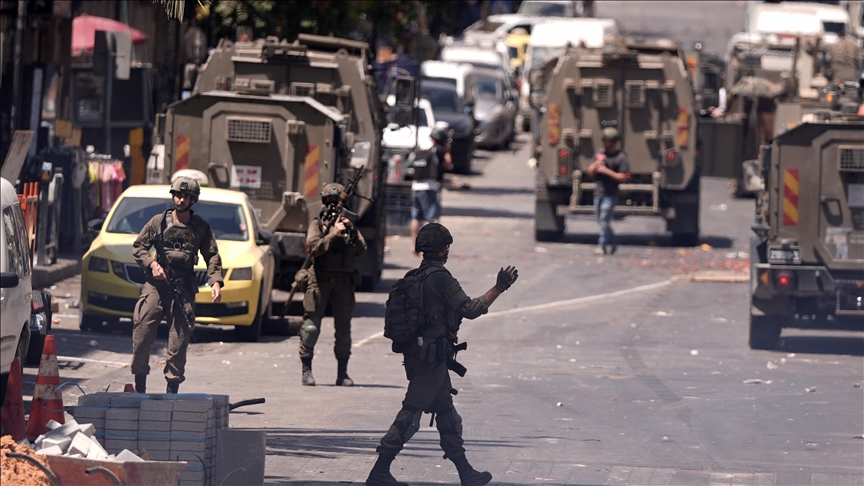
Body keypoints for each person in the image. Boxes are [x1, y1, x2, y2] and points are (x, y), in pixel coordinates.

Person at [366, 223, 519, 486]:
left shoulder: (415, 276)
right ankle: (379, 471)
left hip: (422, 356)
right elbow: (470, 309)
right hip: (430, 361)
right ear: (443, 249)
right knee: (410, 415)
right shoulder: (440, 278)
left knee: (447, 415)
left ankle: (466, 473)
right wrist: (499, 288)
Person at [131, 177, 223, 394]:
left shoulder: (200, 228)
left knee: (178, 342)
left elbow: (212, 255)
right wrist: (152, 264)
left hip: (183, 288)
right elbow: (139, 247)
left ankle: (172, 390)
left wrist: (216, 281)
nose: (181, 200)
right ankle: (140, 385)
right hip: (157, 285)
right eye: (178, 195)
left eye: (186, 196)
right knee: (142, 331)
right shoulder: (158, 222)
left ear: (193, 199)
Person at [299, 183, 368, 386]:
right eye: (328, 200)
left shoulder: (348, 224)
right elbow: (313, 247)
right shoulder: (318, 223)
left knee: (344, 329)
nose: (331, 204)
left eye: (335, 201)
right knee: (311, 328)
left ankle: (342, 373)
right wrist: (333, 234)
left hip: (343, 283)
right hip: (319, 280)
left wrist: (351, 229)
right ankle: (306, 370)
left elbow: (362, 250)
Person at [410, 123, 453, 255]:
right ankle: (426, 247)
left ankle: (414, 246)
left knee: (416, 217)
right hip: (429, 187)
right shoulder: (437, 149)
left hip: (416, 186)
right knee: (429, 219)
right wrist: (447, 151)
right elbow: (448, 164)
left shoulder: (421, 147)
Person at [588, 127, 630, 255]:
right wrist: (597, 164)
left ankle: (602, 246)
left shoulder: (620, 157)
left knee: (604, 219)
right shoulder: (600, 154)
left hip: (611, 193)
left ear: (613, 142)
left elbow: (623, 177)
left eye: (608, 140)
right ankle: (613, 239)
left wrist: (607, 171)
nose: (605, 143)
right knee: (600, 220)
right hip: (598, 192)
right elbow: (590, 173)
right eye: (604, 140)